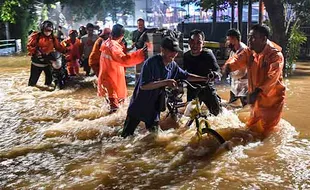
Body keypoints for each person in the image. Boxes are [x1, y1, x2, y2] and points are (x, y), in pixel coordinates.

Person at [121, 36, 217, 138]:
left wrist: (204, 79)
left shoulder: (173, 65)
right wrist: (166, 82)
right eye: (171, 51)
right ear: (162, 50)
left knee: (155, 138)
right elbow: (144, 86)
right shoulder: (151, 63)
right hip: (139, 105)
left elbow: (186, 76)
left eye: (175, 51)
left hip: (154, 108)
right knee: (125, 137)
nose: (174, 54)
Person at [223, 24, 286, 137]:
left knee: (267, 134)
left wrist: (257, 92)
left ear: (263, 39)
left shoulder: (275, 55)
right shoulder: (250, 51)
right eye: (249, 37)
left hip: (272, 101)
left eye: (253, 37)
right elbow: (237, 59)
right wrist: (228, 67)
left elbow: (272, 76)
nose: (249, 40)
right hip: (256, 98)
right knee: (251, 127)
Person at [97, 24, 145, 113]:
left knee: (115, 106)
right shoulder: (113, 46)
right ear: (122, 35)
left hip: (108, 78)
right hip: (111, 80)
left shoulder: (107, 43)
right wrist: (141, 54)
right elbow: (124, 60)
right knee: (115, 109)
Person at [183, 29, 222, 116]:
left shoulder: (208, 54)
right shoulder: (186, 56)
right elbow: (180, 73)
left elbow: (218, 70)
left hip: (207, 88)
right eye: (192, 42)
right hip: (192, 89)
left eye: (198, 42)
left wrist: (215, 75)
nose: (195, 45)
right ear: (189, 42)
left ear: (203, 43)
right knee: (189, 118)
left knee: (218, 114)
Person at [27, 20, 65, 87]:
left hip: (47, 62)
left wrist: (65, 51)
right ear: (42, 29)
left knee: (49, 82)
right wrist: (36, 51)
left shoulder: (53, 38)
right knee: (32, 83)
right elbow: (29, 46)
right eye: (46, 30)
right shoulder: (36, 36)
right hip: (37, 63)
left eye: (50, 30)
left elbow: (58, 47)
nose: (48, 32)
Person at [226, 28, 248, 107]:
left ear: (234, 39)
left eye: (229, 40)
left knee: (246, 107)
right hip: (235, 82)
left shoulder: (243, 51)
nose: (227, 42)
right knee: (231, 105)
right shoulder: (233, 50)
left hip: (244, 83)